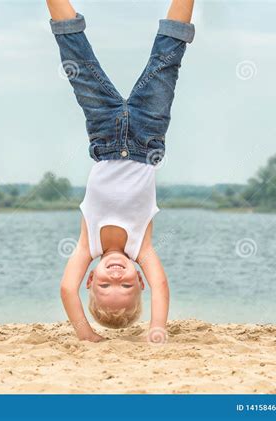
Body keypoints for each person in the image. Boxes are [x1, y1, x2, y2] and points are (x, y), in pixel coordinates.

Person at [47, 0, 195, 342]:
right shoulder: (141, 248)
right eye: (126, 284)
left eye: (105, 283)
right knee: (167, 58)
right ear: (139, 280)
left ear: (90, 278)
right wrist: (157, 328)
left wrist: (86, 336)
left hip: (103, 133)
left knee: (77, 59)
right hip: (147, 136)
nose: (116, 275)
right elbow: (161, 284)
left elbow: (67, 290)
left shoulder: (88, 246)